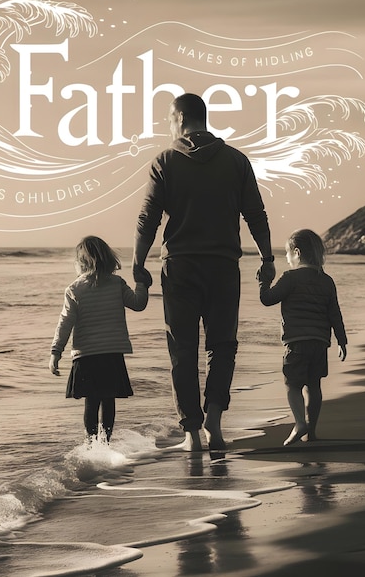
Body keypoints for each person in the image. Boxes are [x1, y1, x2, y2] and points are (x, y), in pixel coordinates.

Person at [133, 93, 274, 452]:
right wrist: (267, 258)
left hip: (180, 267)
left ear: (180, 118)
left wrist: (137, 263)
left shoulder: (164, 161)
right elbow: (255, 215)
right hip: (224, 266)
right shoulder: (236, 161)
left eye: (169, 119)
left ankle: (192, 433)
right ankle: (213, 418)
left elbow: (148, 218)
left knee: (182, 351)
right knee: (222, 346)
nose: (169, 126)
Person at [50, 236, 149, 443]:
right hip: (111, 354)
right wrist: (142, 283)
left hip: (86, 356)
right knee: (108, 401)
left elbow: (65, 323)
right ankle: (105, 443)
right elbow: (138, 304)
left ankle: (91, 445)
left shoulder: (74, 289)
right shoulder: (116, 283)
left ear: (82, 262)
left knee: (91, 402)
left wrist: (55, 352)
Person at [258, 229, 347, 446]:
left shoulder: (290, 278)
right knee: (313, 386)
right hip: (319, 344)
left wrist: (263, 281)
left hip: (296, 343)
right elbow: (335, 313)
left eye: (287, 254)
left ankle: (299, 423)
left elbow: (268, 299)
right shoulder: (326, 281)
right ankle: (311, 431)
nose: (287, 259)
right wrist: (341, 340)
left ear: (296, 253)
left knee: (293, 385)